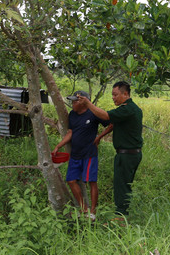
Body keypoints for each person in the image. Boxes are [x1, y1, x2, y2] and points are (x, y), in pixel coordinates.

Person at [77, 81, 143, 217]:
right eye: (112, 95)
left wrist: (88, 104)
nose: (113, 97)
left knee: (121, 185)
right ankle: (122, 213)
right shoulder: (130, 109)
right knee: (124, 184)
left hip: (127, 155)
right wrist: (100, 136)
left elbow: (106, 116)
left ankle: (121, 216)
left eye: (115, 95)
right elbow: (112, 124)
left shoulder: (127, 109)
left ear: (125, 94)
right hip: (130, 154)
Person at [53, 90, 110, 219]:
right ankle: (84, 209)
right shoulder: (72, 114)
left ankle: (93, 212)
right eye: (72, 101)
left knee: (91, 181)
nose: (72, 104)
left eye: (75, 101)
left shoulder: (93, 113)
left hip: (89, 154)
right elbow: (71, 132)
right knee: (71, 180)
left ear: (83, 102)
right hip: (75, 154)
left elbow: (110, 123)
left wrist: (99, 137)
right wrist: (58, 146)